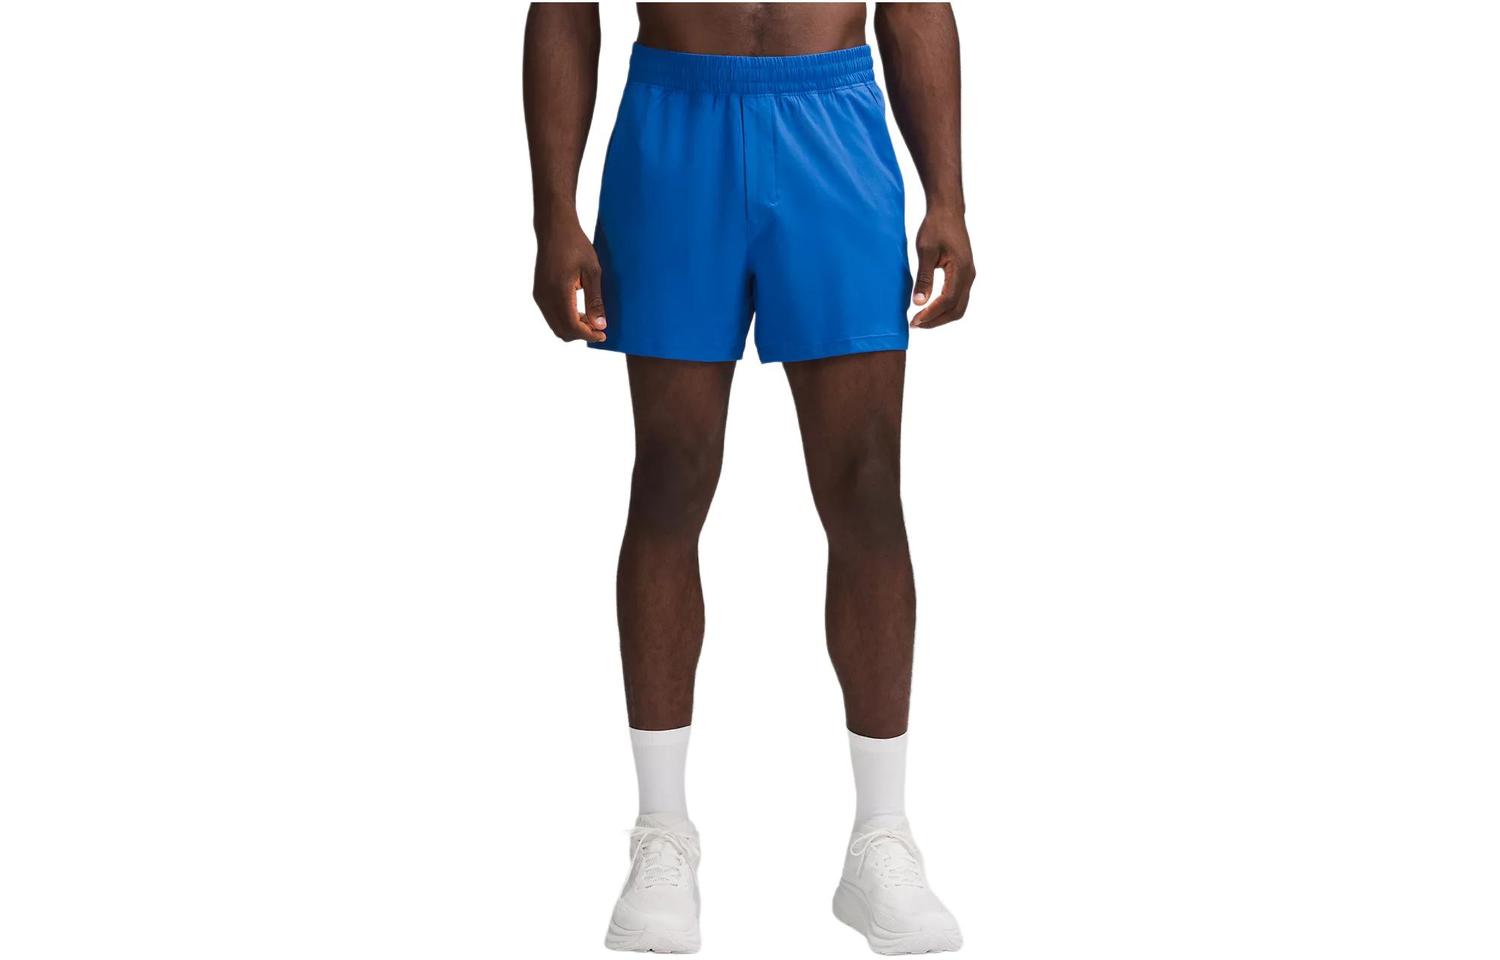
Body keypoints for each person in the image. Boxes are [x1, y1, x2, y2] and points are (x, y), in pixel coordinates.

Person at [523, 3, 975, 953]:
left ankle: (881, 838)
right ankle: (662, 834)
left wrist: (949, 196)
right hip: (674, 121)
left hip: (834, 118)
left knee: (866, 484)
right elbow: (563, 8)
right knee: (671, 475)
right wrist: (552, 211)